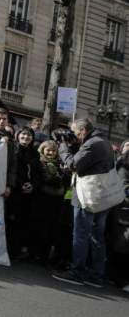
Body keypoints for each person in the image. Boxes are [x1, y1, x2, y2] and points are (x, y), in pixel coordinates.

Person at [53, 118, 118, 288]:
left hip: (87, 196)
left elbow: (73, 164)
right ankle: (97, 274)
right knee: (97, 236)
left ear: (82, 130)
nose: (74, 135)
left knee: (81, 233)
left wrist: (63, 147)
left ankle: (77, 272)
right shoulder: (104, 141)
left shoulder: (92, 144)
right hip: (102, 197)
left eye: (75, 132)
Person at [8, 127, 42, 259]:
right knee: (10, 221)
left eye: (29, 135)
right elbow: (10, 169)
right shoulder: (12, 149)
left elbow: (38, 173)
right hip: (14, 191)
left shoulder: (35, 153)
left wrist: (32, 185)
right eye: (23, 134)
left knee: (22, 223)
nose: (26, 137)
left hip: (28, 194)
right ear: (18, 136)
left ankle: (16, 250)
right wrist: (18, 184)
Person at [36, 139, 69, 266]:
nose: (51, 153)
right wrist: (59, 177)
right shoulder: (40, 162)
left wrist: (63, 175)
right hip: (43, 198)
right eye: (48, 150)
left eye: (53, 151)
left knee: (52, 228)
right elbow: (47, 179)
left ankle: (45, 254)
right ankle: (37, 253)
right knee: (41, 226)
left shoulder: (59, 164)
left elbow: (64, 181)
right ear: (43, 150)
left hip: (57, 200)